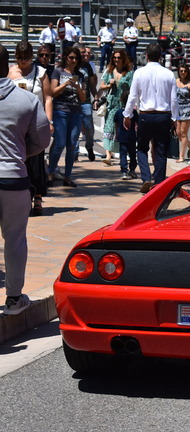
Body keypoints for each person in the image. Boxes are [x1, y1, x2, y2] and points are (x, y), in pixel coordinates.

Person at [0, 43, 51, 315]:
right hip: (13, 177)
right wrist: (21, 151)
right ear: (8, 66)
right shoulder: (27, 99)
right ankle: (14, 299)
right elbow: (42, 140)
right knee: (15, 238)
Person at [123, 43, 178, 193]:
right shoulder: (168, 74)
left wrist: (127, 115)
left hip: (146, 115)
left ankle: (146, 177)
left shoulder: (139, 73)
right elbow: (174, 99)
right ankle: (159, 183)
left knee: (141, 148)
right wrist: (175, 118)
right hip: (163, 115)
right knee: (160, 150)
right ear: (160, 57)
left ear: (146, 56)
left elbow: (132, 96)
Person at [8, 40, 54, 217]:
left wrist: (49, 121)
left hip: (35, 122)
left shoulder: (40, 73)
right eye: (20, 58)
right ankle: (23, 197)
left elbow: (48, 97)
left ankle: (38, 197)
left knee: (36, 161)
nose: (23, 62)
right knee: (20, 161)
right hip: (17, 124)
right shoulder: (10, 72)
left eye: (26, 58)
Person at [48, 46, 86, 188]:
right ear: (65, 58)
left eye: (76, 58)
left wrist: (77, 87)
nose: (73, 60)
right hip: (61, 111)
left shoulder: (80, 75)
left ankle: (68, 176)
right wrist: (65, 84)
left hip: (76, 112)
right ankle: (51, 172)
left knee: (72, 145)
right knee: (60, 143)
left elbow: (83, 98)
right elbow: (52, 92)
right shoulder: (58, 71)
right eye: (71, 58)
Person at [100, 48, 134, 165]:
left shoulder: (129, 73)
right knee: (109, 128)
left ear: (123, 59)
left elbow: (133, 89)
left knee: (123, 129)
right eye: (114, 58)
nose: (116, 60)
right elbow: (102, 86)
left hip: (124, 104)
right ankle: (108, 155)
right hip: (112, 103)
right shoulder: (109, 72)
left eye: (119, 58)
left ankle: (124, 153)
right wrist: (109, 85)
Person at [76, 43, 98, 161]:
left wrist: (96, 97)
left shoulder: (87, 67)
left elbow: (92, 84)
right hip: (73, 102)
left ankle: (89, 146)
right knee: (75, 127)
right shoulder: (70, 65)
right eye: (82, 52)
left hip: (86, 102)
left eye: (85, 52)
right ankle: (74, 151)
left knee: (89, 127)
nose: (85, 54)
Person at [113, 90, 138, 180]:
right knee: (132, 153)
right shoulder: (134, 113)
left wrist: (116, 133)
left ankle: (124, 171)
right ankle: (132, 170)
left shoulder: (119, 112)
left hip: (122, 136)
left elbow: (116, 123)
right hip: (131, 136)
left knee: (123, 153)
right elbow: (137, 124)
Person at [175, 64, 190, 162]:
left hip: (186, 110)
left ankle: (181, 156)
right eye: (181, 71)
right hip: (177, 109)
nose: (183, 73)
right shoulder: (176, 82)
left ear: (187, 72)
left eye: (185, 71)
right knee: (178, 133)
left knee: (183, 133)